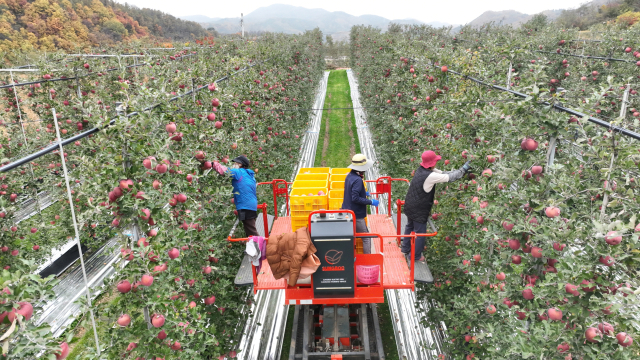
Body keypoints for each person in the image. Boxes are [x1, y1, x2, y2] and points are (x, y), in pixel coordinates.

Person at [401, 150, 471, 262]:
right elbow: (451, 178)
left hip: (410, 204)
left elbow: (444, 173)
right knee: (420, 233)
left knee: (409, 226)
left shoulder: (422, 170)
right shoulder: (431, 175)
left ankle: (405, 248)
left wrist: (460, 170)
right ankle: (415, 256)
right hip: (419, 209)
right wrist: (464, 169)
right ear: (432, 163)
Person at [212, 155, 259, 237]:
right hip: (251, 204)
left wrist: (213, 164)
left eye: (235, 163)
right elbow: (245, 188)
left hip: (245, 205)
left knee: (251, 230)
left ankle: (260, 247)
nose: (234, 165)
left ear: (240, 164)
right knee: (249, 227)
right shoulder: (250, 175)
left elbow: (224, 171)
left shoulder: (238, 172)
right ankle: (254, 247)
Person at [341, 154, 379, 254]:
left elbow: (351, 191)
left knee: (349, 236)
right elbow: (355, 198)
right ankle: (368, 260)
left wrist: (363, 192)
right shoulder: (358, 180)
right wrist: (371, 202)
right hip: (355, 214)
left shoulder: (349, 176)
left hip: (346, 210)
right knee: (366, 237)